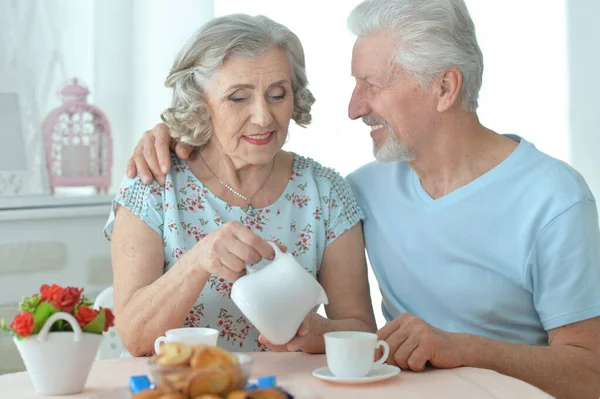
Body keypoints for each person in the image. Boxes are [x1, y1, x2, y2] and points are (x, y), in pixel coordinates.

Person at [125, 1, 600, 398]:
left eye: (371, 84)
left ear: (445, 87)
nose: (353, 107)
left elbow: (591, 374)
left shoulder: (553, 198)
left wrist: (466, 348)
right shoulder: (366, 187)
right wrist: (177, 133)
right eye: (236, 98)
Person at [104, 13, 377, 357]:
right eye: (238, 98)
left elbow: (362, 329)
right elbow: (135, 337)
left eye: (278, 94)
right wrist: (198, 261)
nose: (263, 117)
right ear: (199, 102)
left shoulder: (325, 193)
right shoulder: (154, 184)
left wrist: (316, 333)